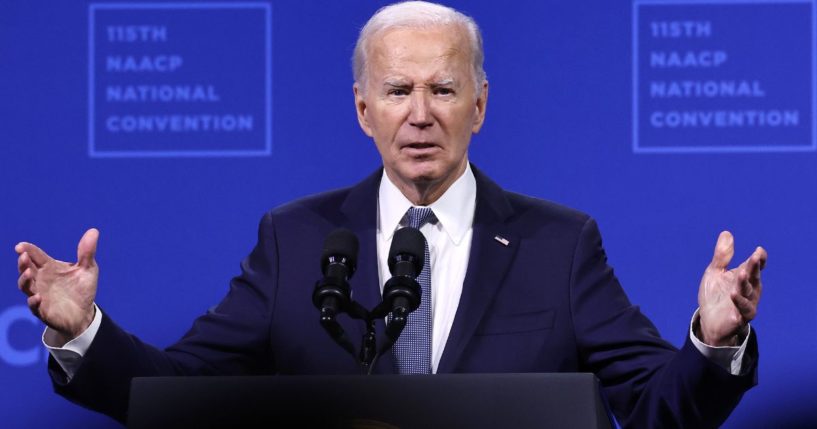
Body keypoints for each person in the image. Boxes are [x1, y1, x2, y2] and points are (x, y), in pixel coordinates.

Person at [15, 2, 766, 427]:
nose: (419, 115)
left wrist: (710, 342)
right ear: (362, 108)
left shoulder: (558, 243)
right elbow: (174, 394)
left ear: (479, 104)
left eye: (442, 90)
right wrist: (83, 330)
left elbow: (654, 407)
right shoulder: (296, 237)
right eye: (397, 91)